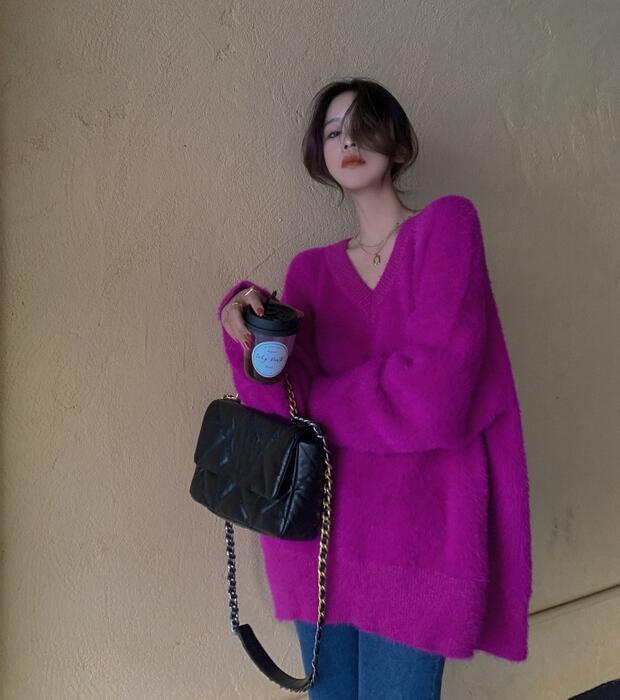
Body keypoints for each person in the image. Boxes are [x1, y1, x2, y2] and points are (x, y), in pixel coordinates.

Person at [216, 77, 532, 699]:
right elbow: (282, 411)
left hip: (422, 547)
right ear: (320, 155)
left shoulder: (445, 228)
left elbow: (432, 400)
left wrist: (321, 403)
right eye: (334, 132)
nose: (348, 141)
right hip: (318, 548)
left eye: (363, 126)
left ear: (399, 143)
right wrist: (245, 328)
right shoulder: (309, 271)